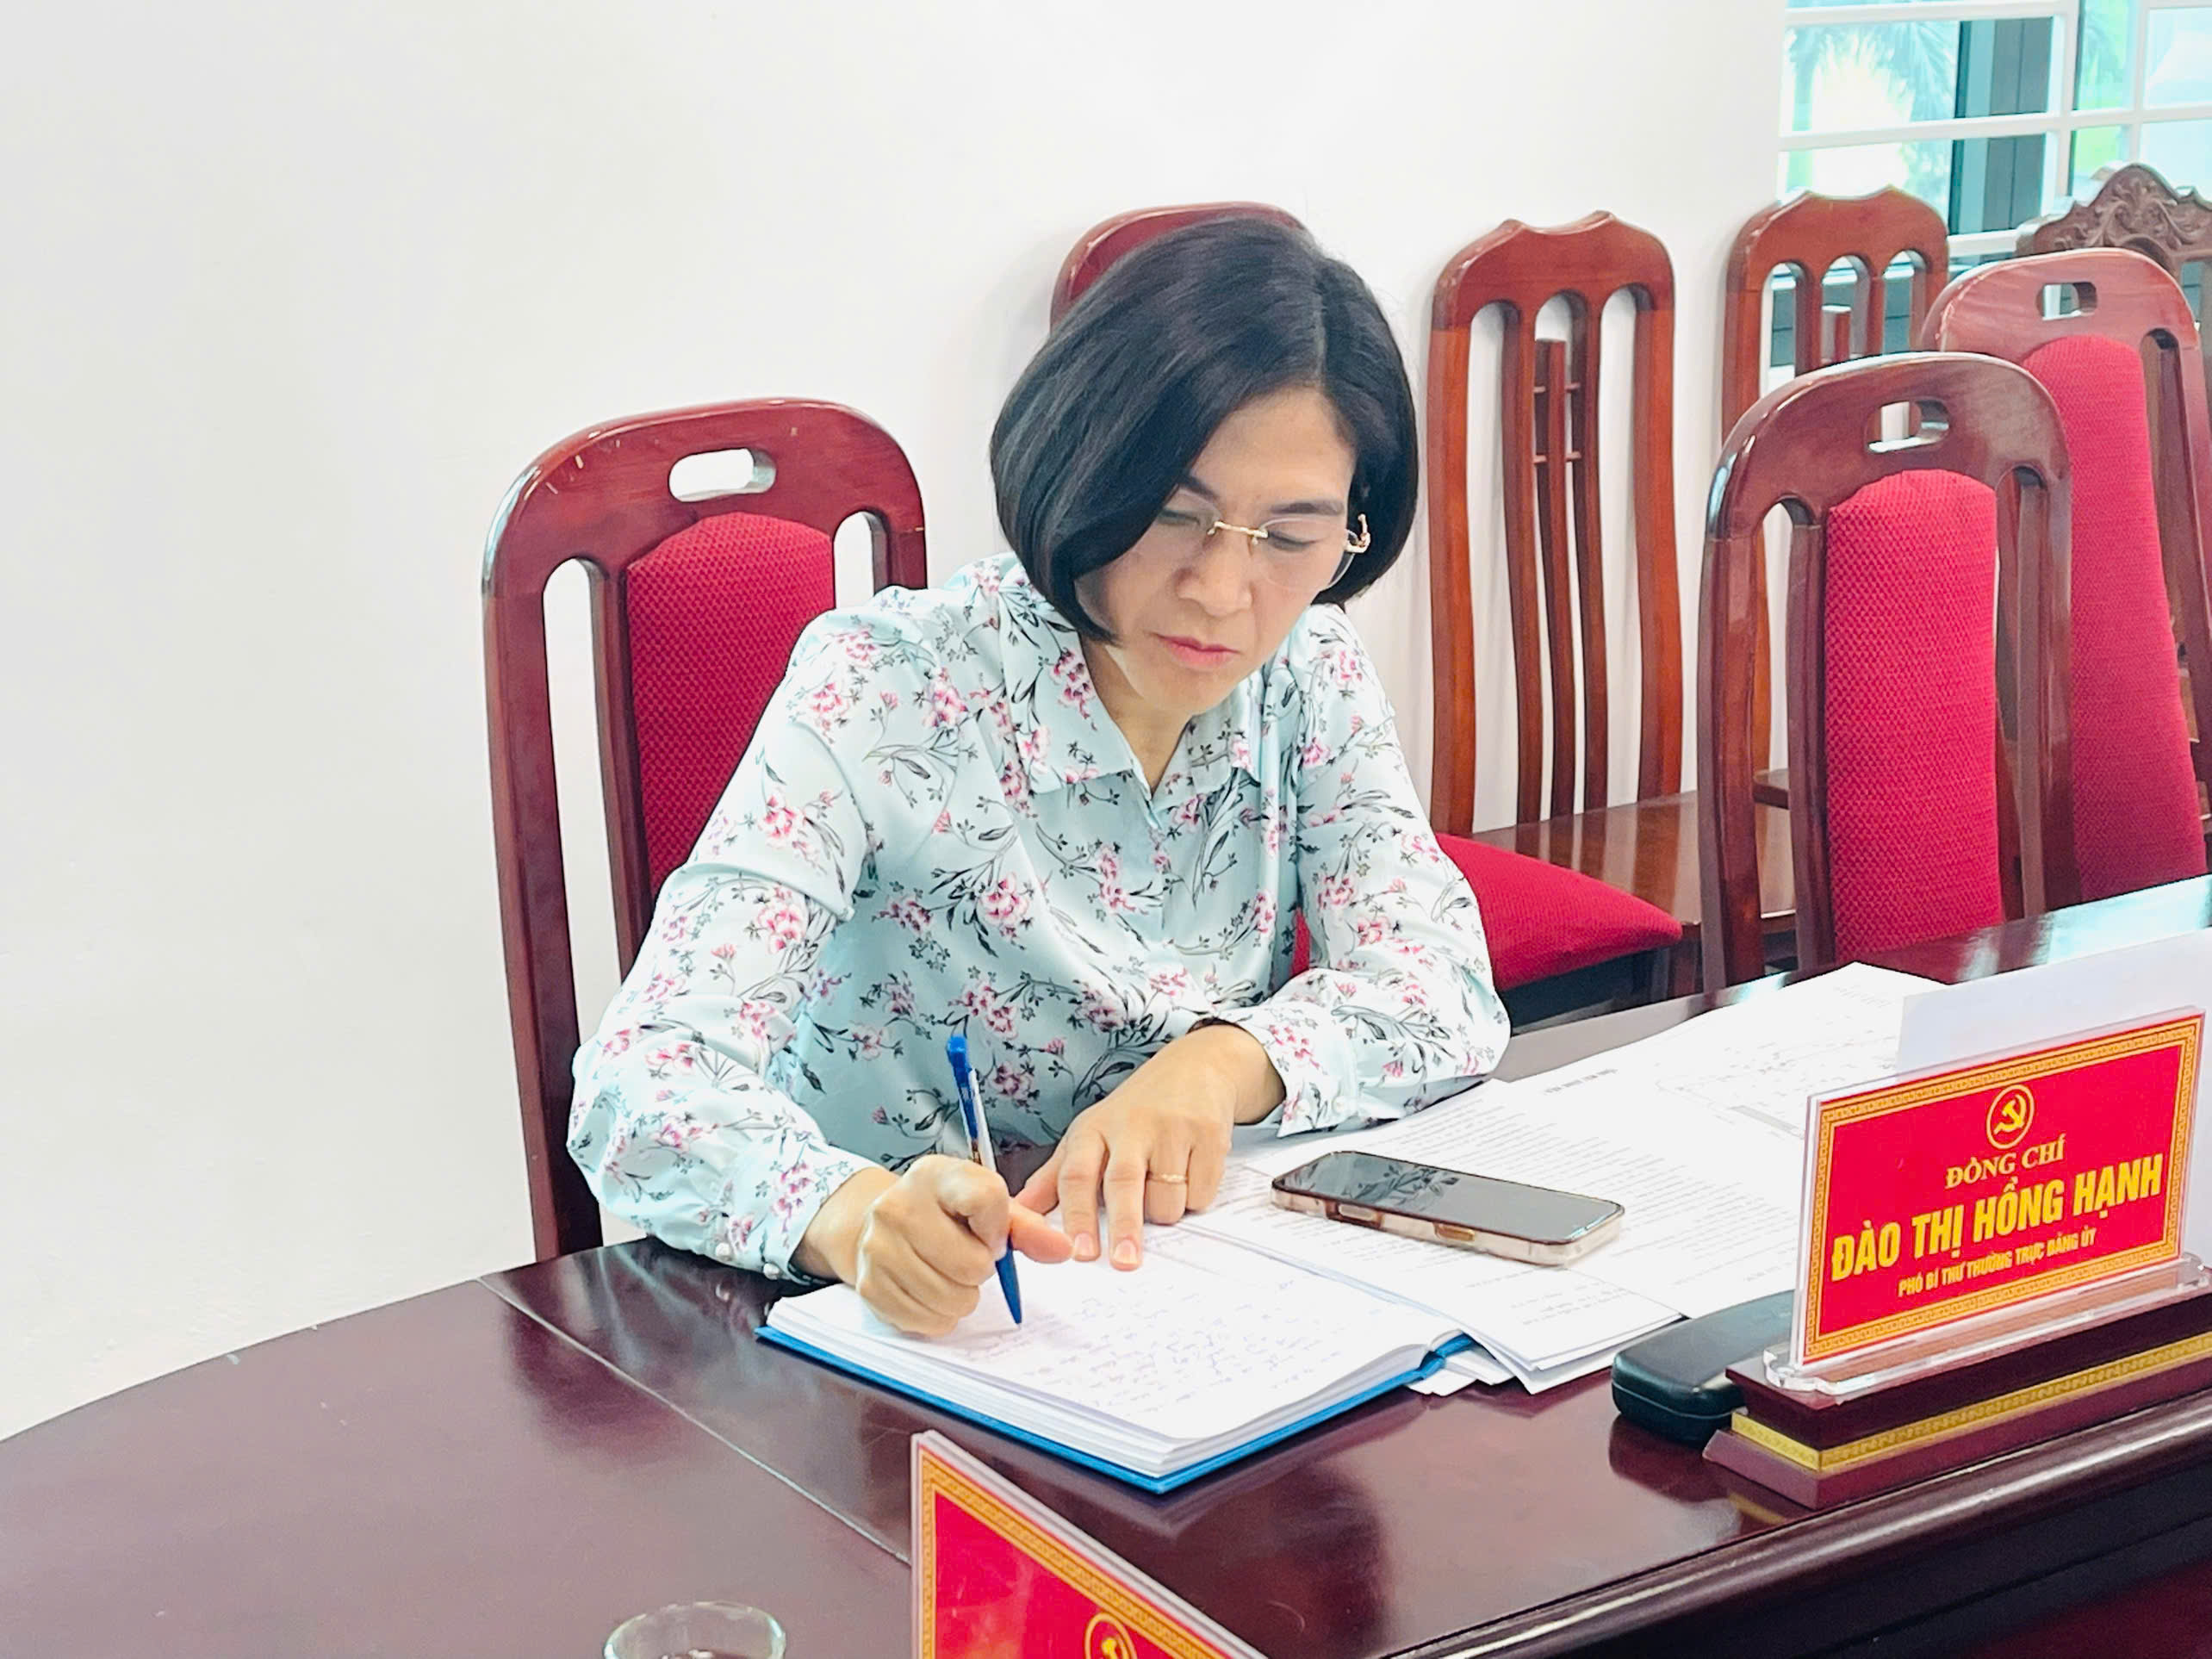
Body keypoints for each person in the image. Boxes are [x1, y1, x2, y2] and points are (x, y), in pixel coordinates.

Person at [569, 217, 1508, 1335]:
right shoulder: (885, 689)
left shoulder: (1307, 669)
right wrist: (849, 1214)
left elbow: (1445, 988)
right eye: (1175, 515)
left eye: (1290, 537)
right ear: (1083, 471)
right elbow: (640, 1082)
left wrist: (1224, 1065)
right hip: (886, 1329)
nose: (1223, 592)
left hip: (1188, 1299)